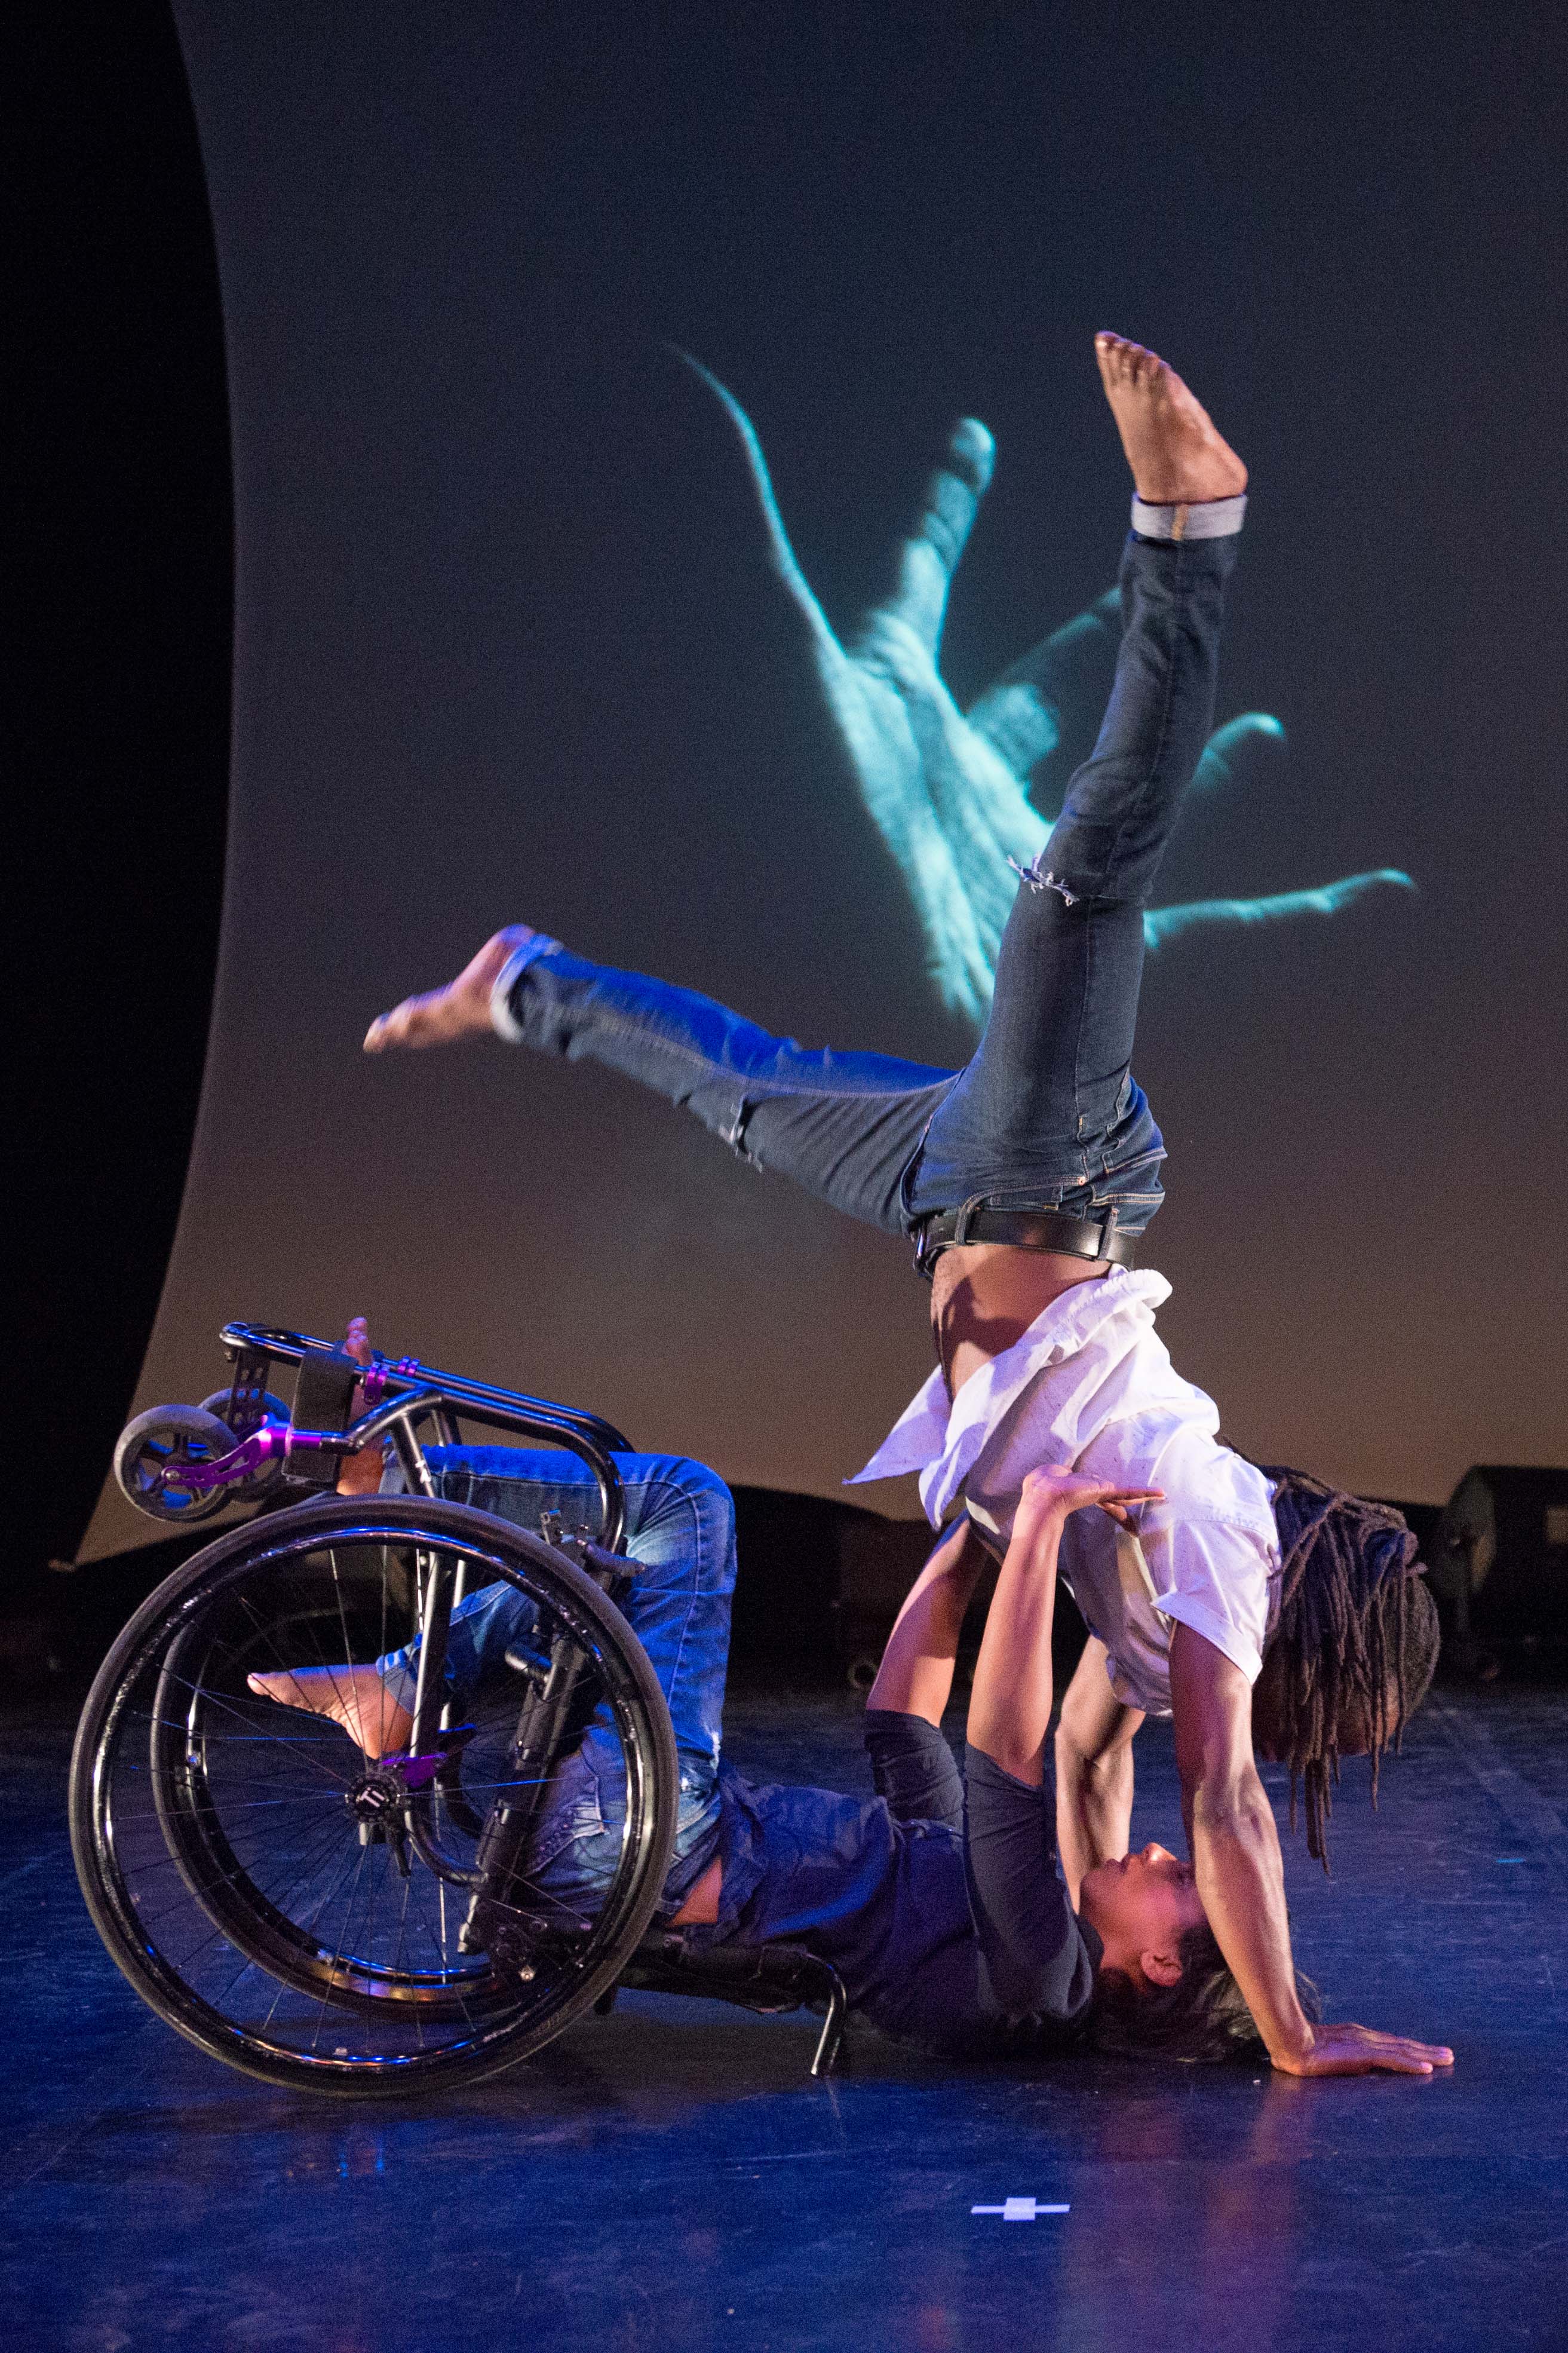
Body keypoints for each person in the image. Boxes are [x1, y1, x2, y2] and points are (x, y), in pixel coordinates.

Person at [357, 333, 1450, 2077]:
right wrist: (1301, 2031)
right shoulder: (1225, 1565)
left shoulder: (1154, 1626)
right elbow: (1228, 1804)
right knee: (1076, 894)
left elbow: (1083, 1778)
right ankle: (1193, 532)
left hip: (957, 1192)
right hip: (1049, 1182)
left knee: (741, 1090)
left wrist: (1186, 1980)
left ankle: (528, 983)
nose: (1192, 1790)